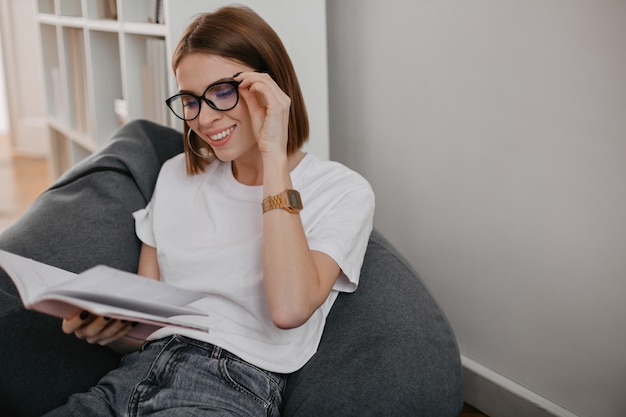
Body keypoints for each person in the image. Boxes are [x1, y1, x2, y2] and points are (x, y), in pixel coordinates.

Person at [44, 5, 374, 416]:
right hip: (130, 378)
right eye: (190, 100)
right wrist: (108, 329)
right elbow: (150, 324)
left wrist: (274, 152)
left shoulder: (342, 190)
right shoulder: (175, 176)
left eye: (222, 92)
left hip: (228, 384)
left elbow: (290, 309)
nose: (204, 118)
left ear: (269, 86)